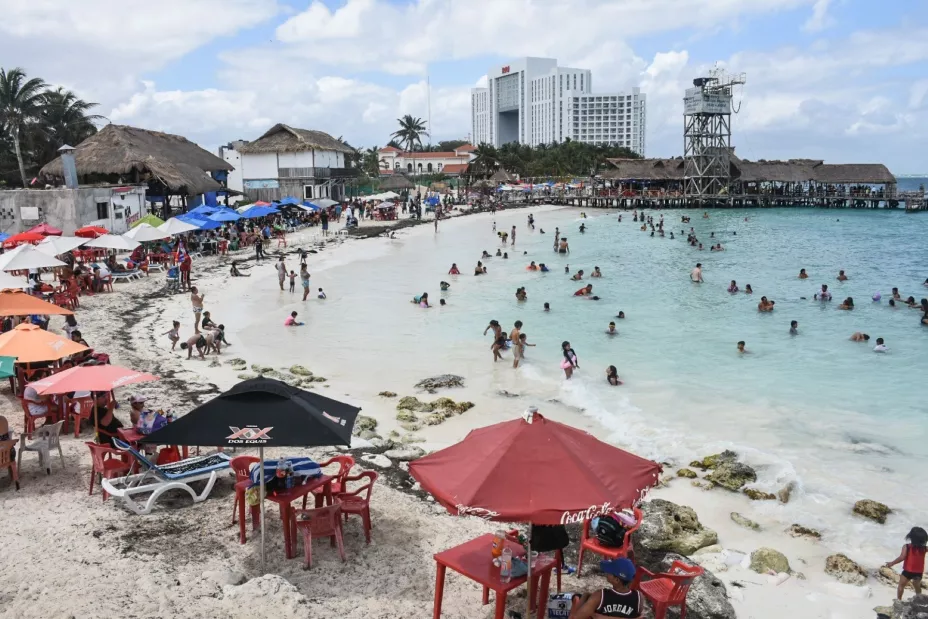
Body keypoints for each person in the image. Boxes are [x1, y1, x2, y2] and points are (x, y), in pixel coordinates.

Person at [569, 558, 642, 619]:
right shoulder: (639, 597)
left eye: (610, 572)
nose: (607, 572)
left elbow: (575, 618)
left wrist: (584, 596)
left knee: (577, 597)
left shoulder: (599, 596)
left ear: (616, 580)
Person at [884, 526, 927, 600]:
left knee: (901, 585)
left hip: (907, 571)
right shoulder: (924, 548)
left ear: (911, 537)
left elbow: (902, 557)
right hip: (918, 572)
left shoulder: (907, 547)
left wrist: (892, 563)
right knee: (917, 585)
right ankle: (918, 598)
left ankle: (899, 599)